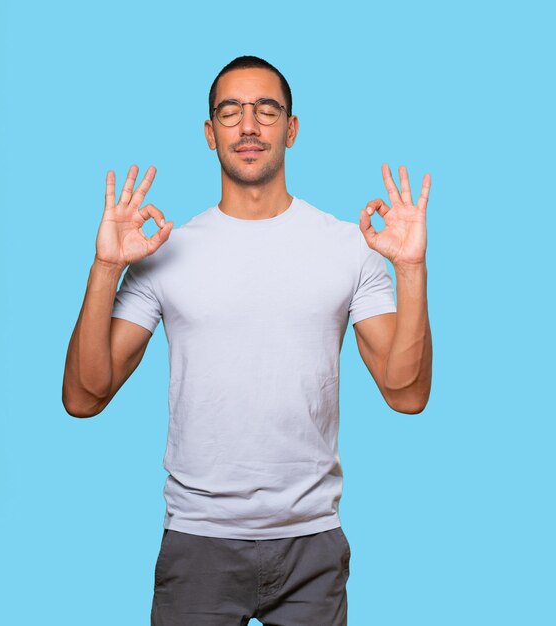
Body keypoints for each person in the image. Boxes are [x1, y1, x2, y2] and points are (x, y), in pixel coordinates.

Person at [62, 55, 432, 626]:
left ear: (292, 127)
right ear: (210, 134)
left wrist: (411, 271)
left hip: (311, 542)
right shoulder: (164, 252)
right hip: (198, 542)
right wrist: (106, 266)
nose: (249, 126)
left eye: (266, 110)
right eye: (230, 112)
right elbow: (84, 397)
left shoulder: (349, 247)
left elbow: (406, 394)